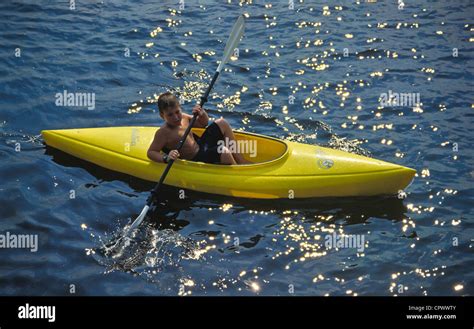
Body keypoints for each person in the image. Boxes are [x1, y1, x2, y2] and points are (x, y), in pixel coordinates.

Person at [147, 92, 249, 165]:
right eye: (170, 115)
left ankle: (241, 161)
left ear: (180, 108)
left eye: (177, 112)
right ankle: (237, 171)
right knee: (224, 152)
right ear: (162, 116)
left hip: (201, 145)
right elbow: (151, 152)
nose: (176, 117)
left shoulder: (184, 118)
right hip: (196, 158)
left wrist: (202, 114)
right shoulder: (163, 133)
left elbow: (202, 124)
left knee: (222, 123)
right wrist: (166, 158)